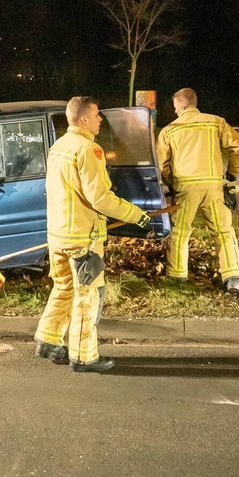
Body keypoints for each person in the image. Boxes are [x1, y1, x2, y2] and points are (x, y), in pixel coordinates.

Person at [34, 97, 151, 373]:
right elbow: (101, 199)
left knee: (63, 288)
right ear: (83, 119)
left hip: (59, 235)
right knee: (88, 296)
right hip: (83, 241)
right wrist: (136, 215)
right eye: (97, 115)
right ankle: (83, 357)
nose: (101, 119)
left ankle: (48, 340)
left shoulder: (58, 147)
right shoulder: (89, 150)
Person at [156, 88, 239, 297]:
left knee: (180, 232)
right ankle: (235, 278)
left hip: (185, 187)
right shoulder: (215, 122)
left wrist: (172, 184)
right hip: (213, 186)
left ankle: (177, 277)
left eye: (175, 108)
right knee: (223, 231)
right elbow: (237, 146)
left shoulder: (169, 131)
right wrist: (231, 174)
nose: (175, 112)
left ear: (182, 106)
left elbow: (163, 165)